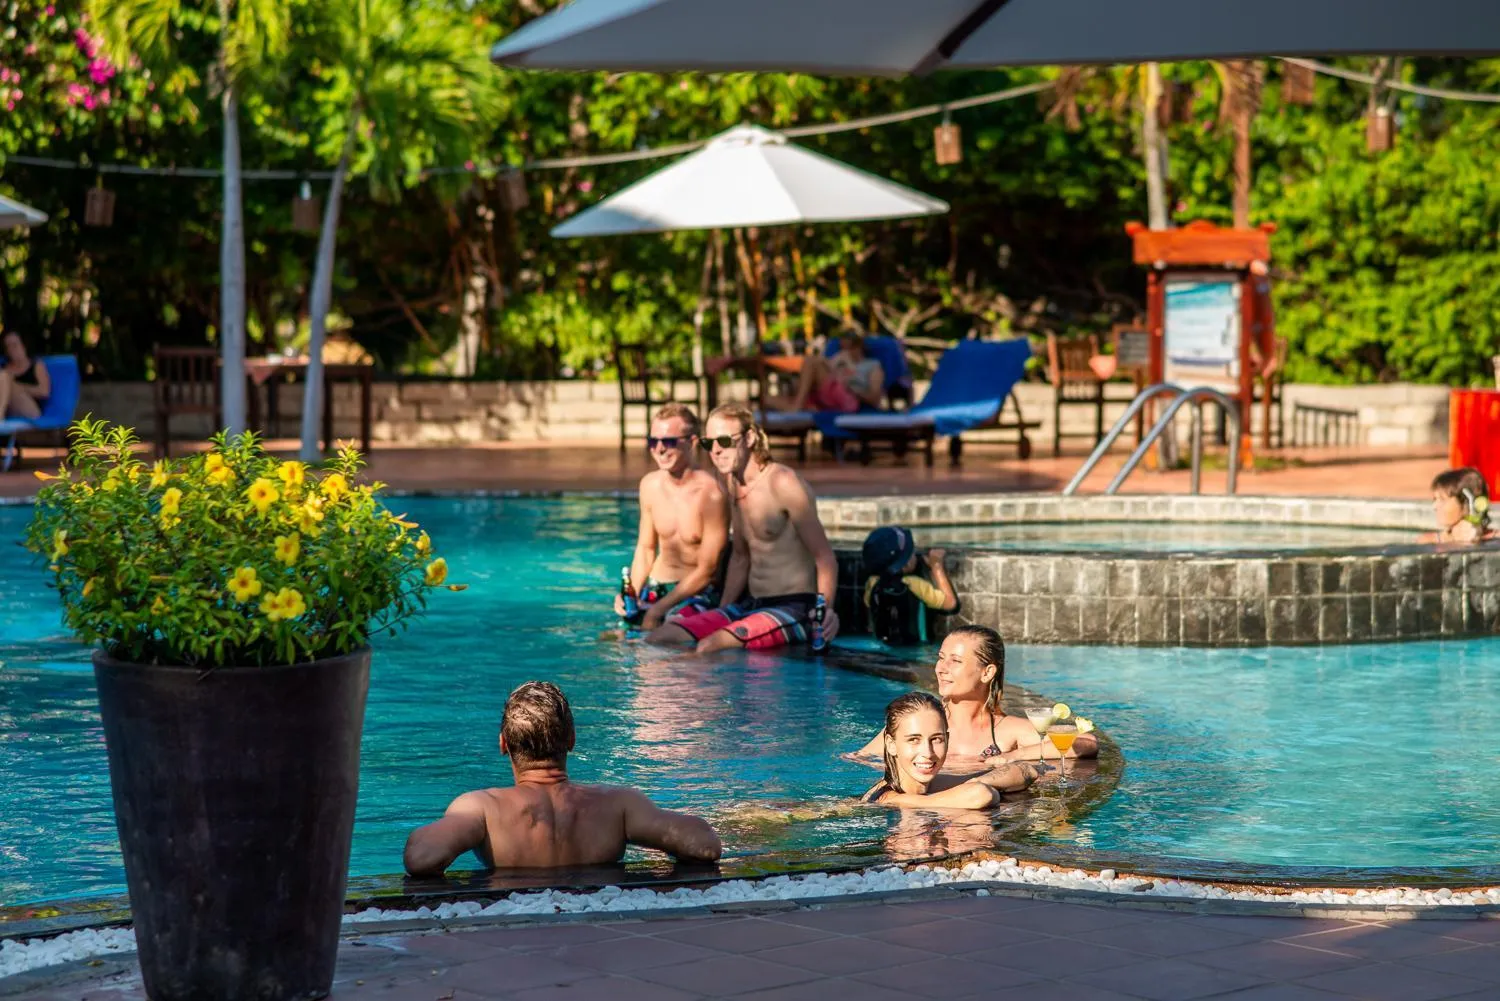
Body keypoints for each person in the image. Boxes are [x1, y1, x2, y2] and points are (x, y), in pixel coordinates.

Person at [403, 681, 722, 875]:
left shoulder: (482, 809)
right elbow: (705, 844)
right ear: (571, 739)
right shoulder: (618, 806)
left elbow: (421, 857)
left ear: (503, 743)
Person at [646, 403, 841, 652]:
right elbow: (740, 557)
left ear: (749, 438)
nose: (716, 451)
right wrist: (722, 611)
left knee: (709, 647)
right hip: (751, 604)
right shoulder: (730, 483)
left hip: (794, 608)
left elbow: (824, 557)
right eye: (709, 444)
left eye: (725, 441)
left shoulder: (783, 482)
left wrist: (826, 612)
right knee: (660, 637)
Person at [854, 625, 1098, 766]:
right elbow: (858, 760)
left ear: (987, 672)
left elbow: (1086, 742)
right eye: (941, 657)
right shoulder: (917, 723)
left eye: (956, 661)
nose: (941, 668)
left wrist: (1013, 756)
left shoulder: (1006, 732)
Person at [615, 404, 730, 631]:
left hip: (695, 594)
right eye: (652, 441)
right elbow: (646, 549)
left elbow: (707, 570)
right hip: (656, 588)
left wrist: (659, 610)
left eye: (668, 442)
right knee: (614, 641)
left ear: (692, 442)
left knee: (668, 637)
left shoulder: (712, 493)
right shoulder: (649, 485)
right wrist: (630, 593)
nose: (659, 449)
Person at [861, 692, 1039, 808]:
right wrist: (977, 786)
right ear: (891, 745)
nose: (928, 753)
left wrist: (976, 780)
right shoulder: (888, 799)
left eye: (936, 739)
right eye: (914, 740)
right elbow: (981, 794)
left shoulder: (931, 785)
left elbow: (1026, 770)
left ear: (947, 739)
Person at [861, 526, 959, 646]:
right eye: (911, 552)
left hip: (882, 647)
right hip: (917, 649)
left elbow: (869, 605)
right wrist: (936, 566)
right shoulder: (914, 584)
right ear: (905, 565)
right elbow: (950, 603)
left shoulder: (872, 583)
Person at [766, 332, 884, 415]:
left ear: (859, 347)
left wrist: (851, 385)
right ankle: (800, 405)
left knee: (811, 361)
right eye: (842, 348)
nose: (845, 351)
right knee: (767, 399)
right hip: (826, 394)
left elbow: (875, 398)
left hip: (848, 398)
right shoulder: (839, 359)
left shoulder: (872, 365)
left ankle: (797, 406)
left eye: (849, 347)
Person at [1421, 467, 1497, 544]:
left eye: (1442, 499)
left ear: (1468, 503)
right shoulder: (1429, 541)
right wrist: (1453, 538)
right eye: (1435, 499)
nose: (1435, 506)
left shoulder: (1496, 539)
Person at [0, 332, 49, 420]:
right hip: (10, 409)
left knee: (4, 377)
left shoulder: (36, 365)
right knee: (3, 376)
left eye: (14, 345)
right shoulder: (5, 368)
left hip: (31, 409)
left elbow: (44, 392)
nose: (11, 349)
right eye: (8, 346)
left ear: (23, 345)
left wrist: (15, 386)